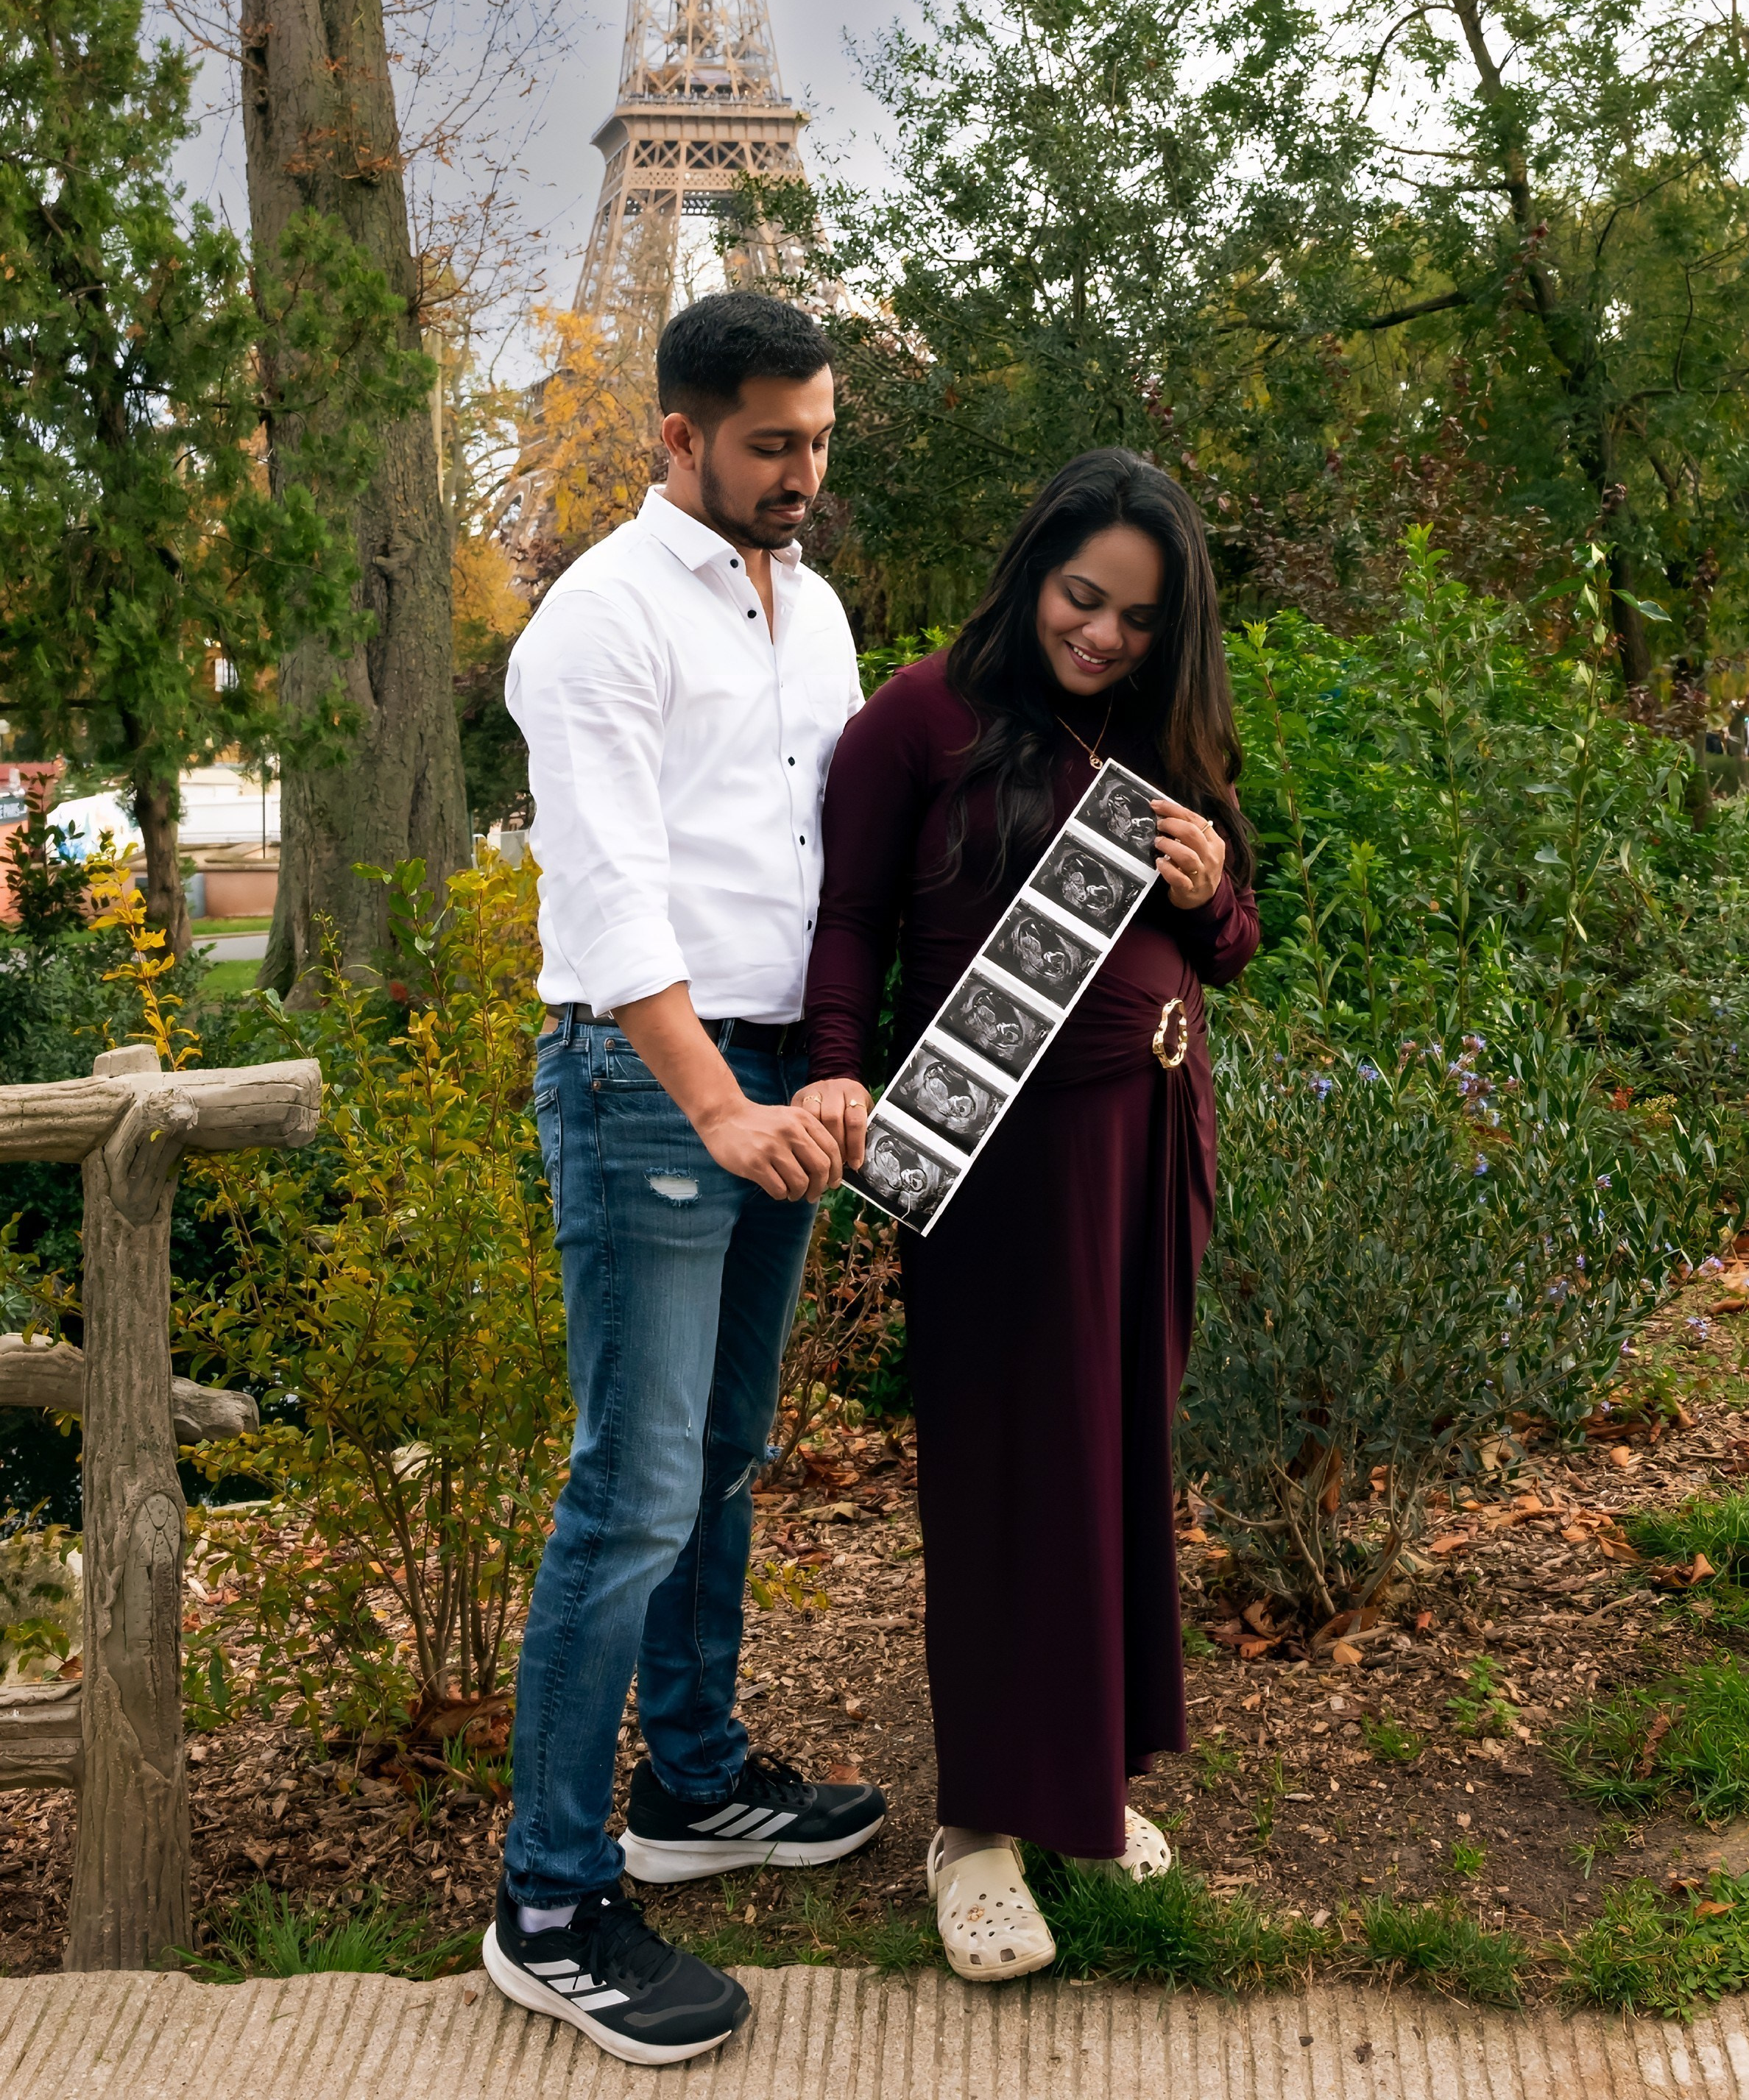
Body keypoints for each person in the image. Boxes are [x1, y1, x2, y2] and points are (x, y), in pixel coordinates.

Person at [485, 291, 886, 2068]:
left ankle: (693, 1784)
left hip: (784, 1072)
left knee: (725, 1455)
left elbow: (833, 853)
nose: (801, 473)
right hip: (656, 1089)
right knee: (630, 1490)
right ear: (677, 437)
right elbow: (609, 893)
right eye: (768, 444)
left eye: (817, 440)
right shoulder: (598, 621)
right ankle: (551, 1897)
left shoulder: (814, 608)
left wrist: (837, 1060)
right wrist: (724, 1103)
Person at [798, 448, 1260, 1982]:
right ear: (1029, 570)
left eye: (1137, 616)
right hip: (991, 1157)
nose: (1103, 636)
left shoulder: (1160, 729)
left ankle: (1081, 1785)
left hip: (1152, 1141)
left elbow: (1237, 937)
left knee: (1115, 1467)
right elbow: (852, 920)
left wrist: (1204, 886)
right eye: (1082, 598)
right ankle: (977, 1827)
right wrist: (834, 1081)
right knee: (1011, 1477)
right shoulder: (915, 718)